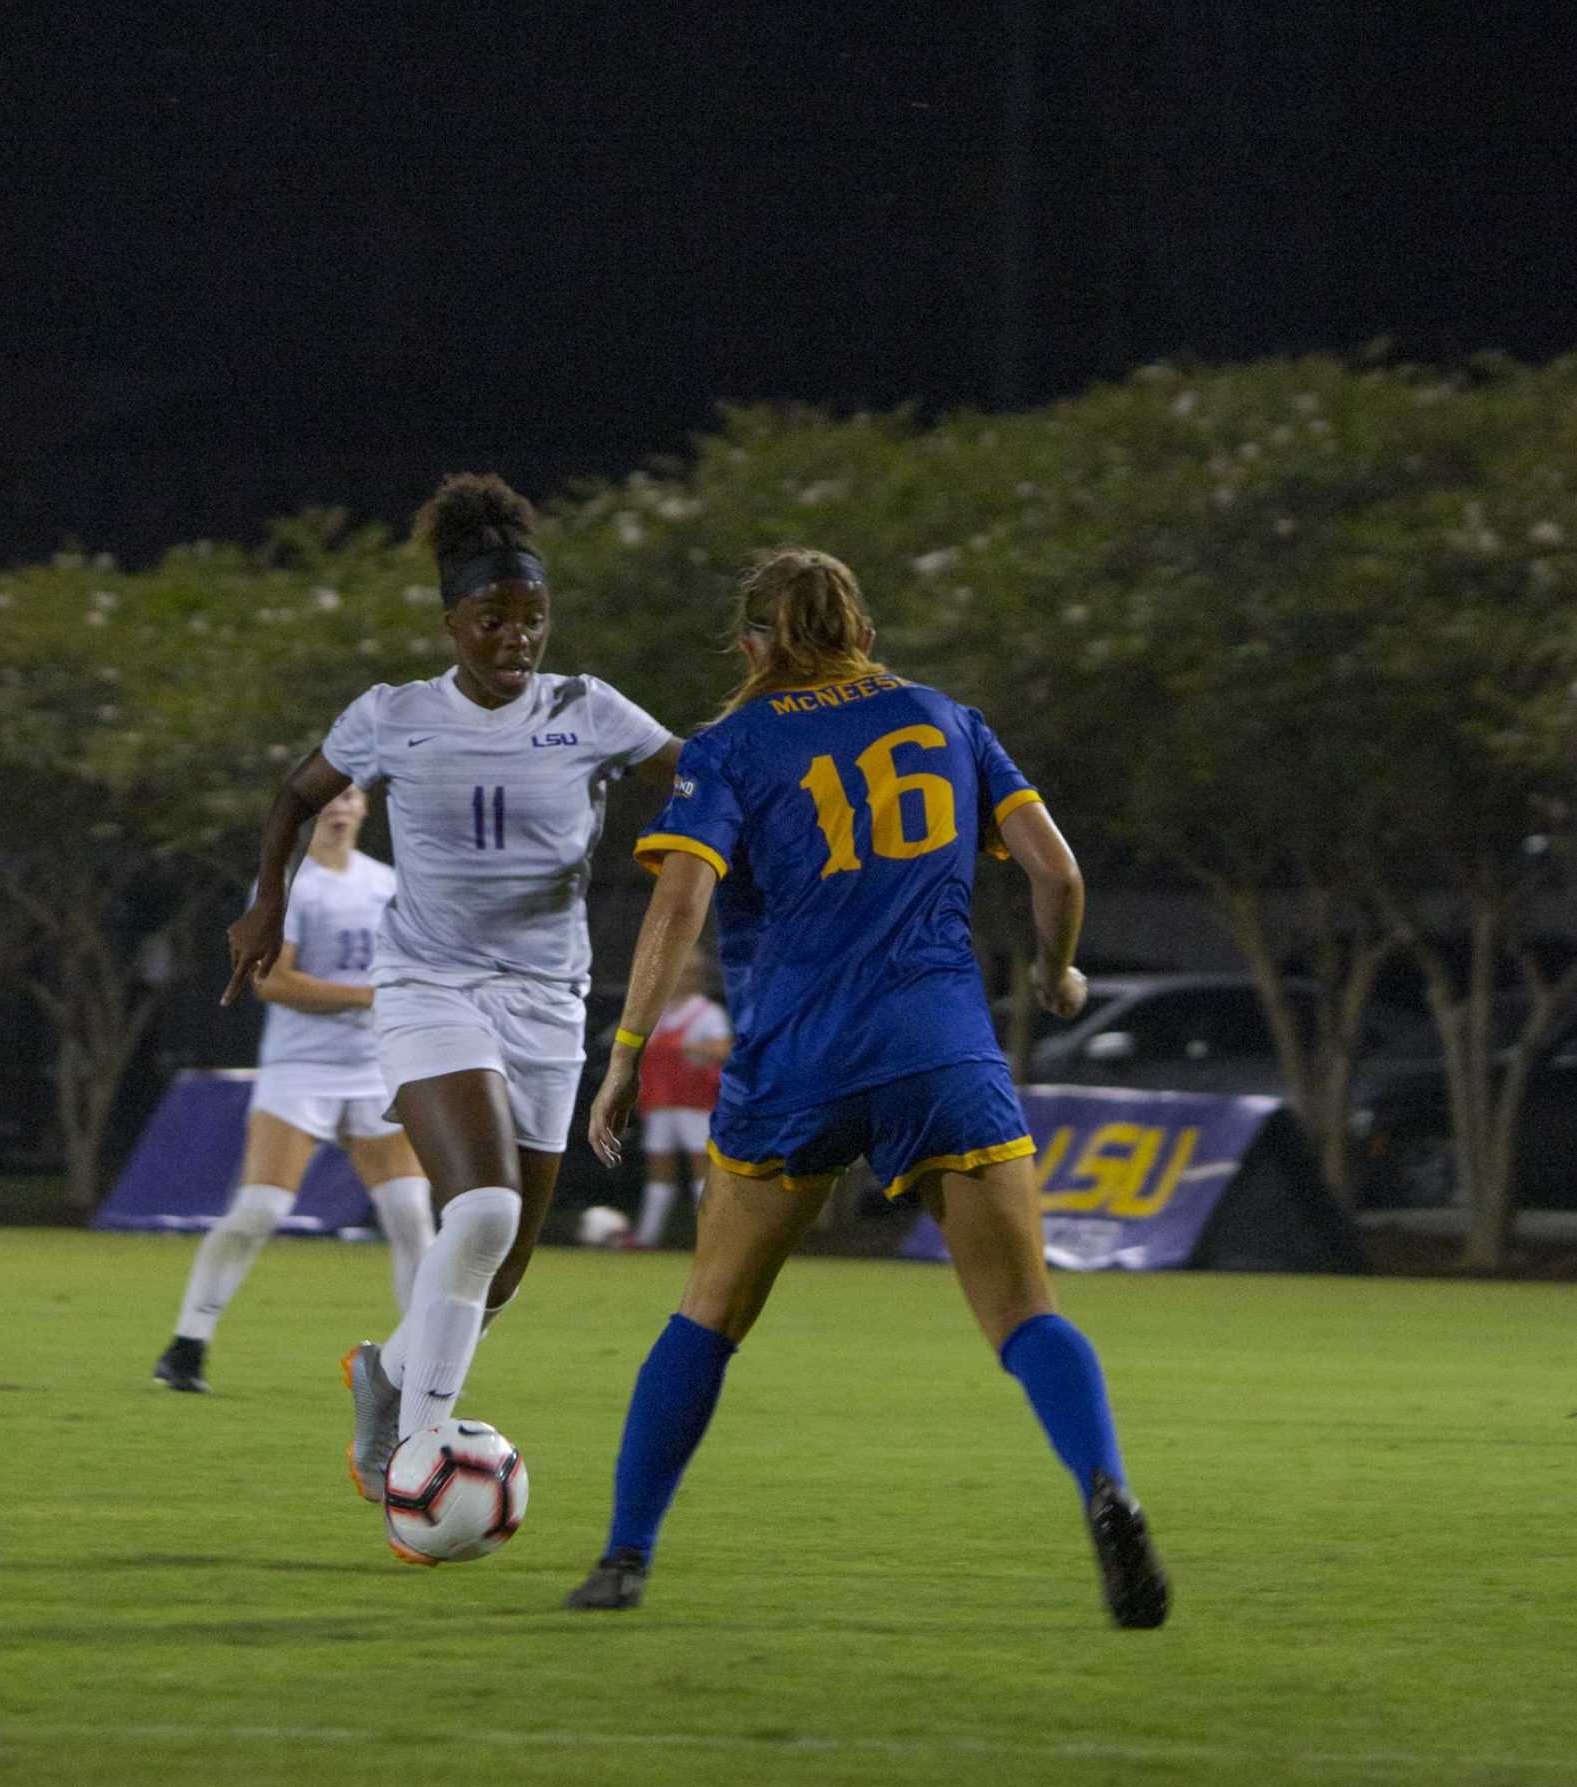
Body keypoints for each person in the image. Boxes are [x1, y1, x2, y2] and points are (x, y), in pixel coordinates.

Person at [569, 546, 1169, 1628]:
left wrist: (622, 1052)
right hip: (940, 1050)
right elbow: (1057, 873)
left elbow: (677, 907)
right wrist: (1054, 969)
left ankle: (623, 1556)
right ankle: (1104, 1484)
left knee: (707, 1313)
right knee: (1024, 1312)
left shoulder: (731, 745)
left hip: (796, 1058)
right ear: (861, 629)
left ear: (754, 645)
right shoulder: (946, 719)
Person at [222, 472, 680, 1499]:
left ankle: (385, 1373)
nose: (516, 638)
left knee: (503, 1268)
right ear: (451, 623)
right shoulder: (392, 717)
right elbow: (296, 796)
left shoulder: (588, 709)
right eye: (493, 619)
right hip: (429, 984)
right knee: (476, 1214)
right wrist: (269, 902)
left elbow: (696, 775)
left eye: (533, 620)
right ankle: (414, 1465)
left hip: (548, 999)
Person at [153, 788, 432, 1392]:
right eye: (327, 798)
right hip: (300, 1068)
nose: (338, 806)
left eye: (350, 795)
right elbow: (272, 981)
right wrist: (370, 996)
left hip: (375, 1068)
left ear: (363, 808)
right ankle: (186, 1345)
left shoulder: (387, 882)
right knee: (261, 1209)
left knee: (410, 1213)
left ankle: (419, 1363)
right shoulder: (287, 886)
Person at [630, 957, 730, 1246]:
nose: (685, 978)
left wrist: (685, 1046)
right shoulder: (656, 1010)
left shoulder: (707, 1013)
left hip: (695, 1103)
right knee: (659, 1169)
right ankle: (647, 1237)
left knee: (702, 1167)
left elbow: (723, 1049)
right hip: (660, 1102)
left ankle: (712, 1240)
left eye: (693, 973)